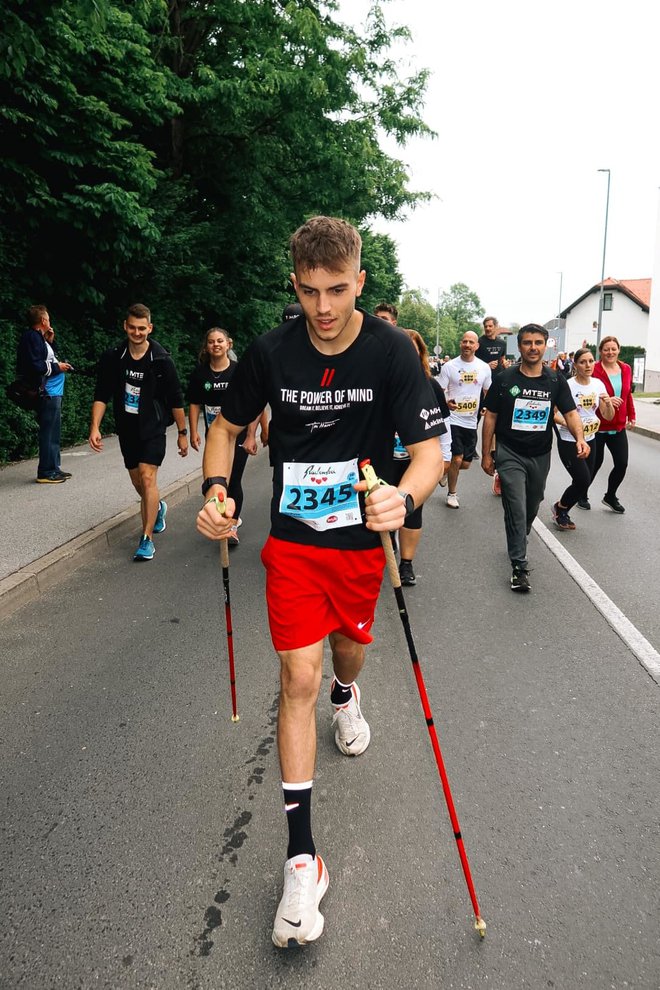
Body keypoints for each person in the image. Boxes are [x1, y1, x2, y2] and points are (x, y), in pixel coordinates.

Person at [196, 215, 443, 948]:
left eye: (339, 290)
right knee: (296, 679)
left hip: (360, 547)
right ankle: (304, 859)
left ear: (360, 281)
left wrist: (407, 495)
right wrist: (217, 491)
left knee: (344, 658)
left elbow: (430, 448)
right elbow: (223, 428)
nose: (325, 309)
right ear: (294, 285)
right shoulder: (272, 352)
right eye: (310, 292)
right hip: (295, 548)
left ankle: (350, 692)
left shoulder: (392, 351)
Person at [481, 324, 588, 592]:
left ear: (545, 345)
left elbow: (571, 412)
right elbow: (491, 416)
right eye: (527, 342)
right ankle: (519, 566)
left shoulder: (554, 380)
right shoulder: (505, 379)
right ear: (519, 346)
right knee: (516, 507)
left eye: (538, 342)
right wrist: (486, 453)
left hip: (540, 453)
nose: (533, 347)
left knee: (532, 504)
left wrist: (580, 438)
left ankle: (519, 536)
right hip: (510, 452)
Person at [89, 303, 189, 561]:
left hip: (153, 427)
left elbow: (176, 398)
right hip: (127, 429)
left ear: (150, 328)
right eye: (132, 327)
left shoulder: (161, 360)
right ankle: (158, 508)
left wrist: (182, 432)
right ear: (125, 326)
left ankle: (146, 539)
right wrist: (95, 427)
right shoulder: (114, 357)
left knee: (147, 478)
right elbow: (102, 394)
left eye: (142, 328)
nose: (137, 332)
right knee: (137, 481)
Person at [187, 327, 263, 546]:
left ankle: (231, 524)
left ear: (229, 344)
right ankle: (220, 517)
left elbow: (256, 405)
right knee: (218, 482)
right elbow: (194, 403)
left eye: (220, 341)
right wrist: (192, 432)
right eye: (211, 342)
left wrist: (254, 434)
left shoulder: (239, 371)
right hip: (214, 435)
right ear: (206, 346)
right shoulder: (200, 374)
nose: (216, 345)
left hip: (237, 436)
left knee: (234, 479)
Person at [390, 329, 451, 586]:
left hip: (415, 462)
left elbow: (444, 424)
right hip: (382, 460)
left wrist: (444, 459)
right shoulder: (379, 381)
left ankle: (406, 564)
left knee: (411, 510)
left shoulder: (430, 385)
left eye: (413, 351)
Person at [551, 348, 614, 530]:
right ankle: (561, 508)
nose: (588, 365)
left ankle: (562, 508)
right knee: (582, 480)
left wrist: (608, 403)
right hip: (570, 440)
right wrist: (568, 422)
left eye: (591, 361)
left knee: (586, 480)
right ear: (575, 365)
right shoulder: (567, 385)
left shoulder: (598, 384)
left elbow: (607, 416)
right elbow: (552, 414)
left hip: (591, 438)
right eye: (582, 362)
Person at [16, 305, 73, 483]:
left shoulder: (40, 338)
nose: (49, 321)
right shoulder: (31, 336)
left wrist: (50, 341)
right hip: (46, 391)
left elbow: (47, 358)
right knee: (48, 431)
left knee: (54, 430)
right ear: (43, 320)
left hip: (53, 391)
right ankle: (46, 472)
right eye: (48, 318)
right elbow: (36, 366)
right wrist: (58, 367)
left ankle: (54, 467)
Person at [580, 335, 636, 513]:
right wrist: (606, 400)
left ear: (618, 350)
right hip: (597, 425)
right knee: (595, 463)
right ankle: (581, 493)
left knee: (622, 463)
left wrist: (632, 415)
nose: (610, 352)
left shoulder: (625, 369)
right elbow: (585, 392)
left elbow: (627, 394)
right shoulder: (594, 369)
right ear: (600, 351)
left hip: (618, 426)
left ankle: (610, 496)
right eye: (606, 349)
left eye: (613, 349)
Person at [438, 330, 491, 508]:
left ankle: (447, 471)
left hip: (471, 420)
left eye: (471, 342)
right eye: (464, 341)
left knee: (466, 464)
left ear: (477, 346)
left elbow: (487, 391)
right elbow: (439, 392)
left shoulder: (483, 367)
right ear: (460, 344)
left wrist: (487, 405)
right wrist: (446, 402)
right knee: (457, 458)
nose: (467, 345)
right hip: (452, 419)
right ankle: (452, 494)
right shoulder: (449, 366)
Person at [475, 316, 508, 496]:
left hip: (499, 384)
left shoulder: (502, 343)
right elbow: (473, 361)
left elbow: (502, 360)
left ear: (496, 327)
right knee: (478, 416)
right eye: (485, 326)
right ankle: (472, 443)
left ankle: (495, 456)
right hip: (481, 385)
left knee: (496, 420)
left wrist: (503, 365)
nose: (488, 329)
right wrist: (486, 365)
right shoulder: (479, 343)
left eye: (490, 326)